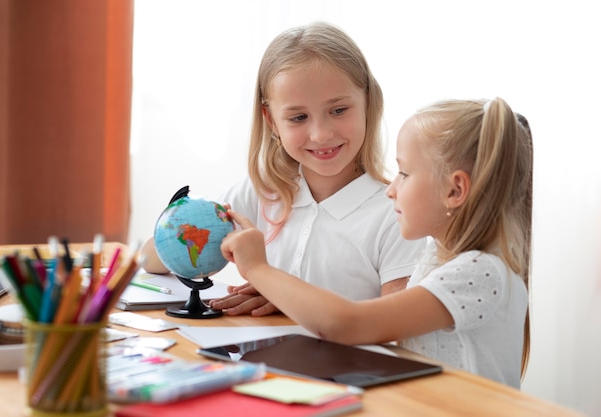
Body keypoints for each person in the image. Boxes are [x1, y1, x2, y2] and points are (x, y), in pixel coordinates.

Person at [220, 97, 533, 389]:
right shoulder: (440, 261)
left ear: (455, 190)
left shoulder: (479, 272)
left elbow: (348, 324)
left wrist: (258, 268)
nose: (391, 189)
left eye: (404, 173)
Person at [141, 22, 426, 316]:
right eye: (298, 117)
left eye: (338, 110)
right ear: (272, 121)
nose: (321, 134)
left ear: (369, 102)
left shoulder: (397, 215)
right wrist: (177, 223)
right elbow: (150, 260)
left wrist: (285, 296)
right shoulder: (258, 194)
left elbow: (396, 329)